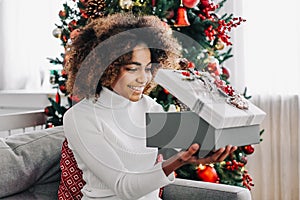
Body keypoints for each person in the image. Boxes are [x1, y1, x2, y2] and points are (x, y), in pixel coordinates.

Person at [60, 12, 237, 200]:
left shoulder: (150, 107)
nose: (143, 78)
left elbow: (189, 144)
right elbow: (123, 187)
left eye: (147, 68)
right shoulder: (80, 117)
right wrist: (179, 161)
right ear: (105, 67)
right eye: (132, 68)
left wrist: (208, 146)